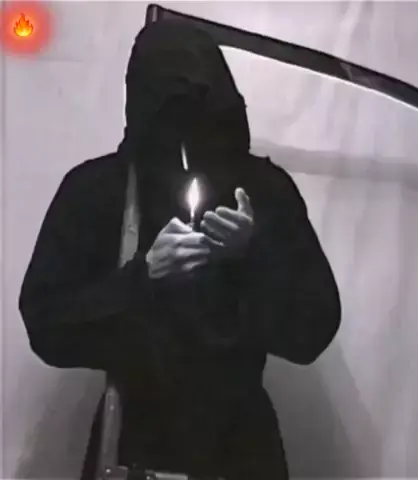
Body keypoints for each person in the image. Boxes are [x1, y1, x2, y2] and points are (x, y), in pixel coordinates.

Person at [19, 19, 341, 480]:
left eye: (202, 113)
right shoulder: (97, 190)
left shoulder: (265, 191)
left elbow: (312, 332)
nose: (187, 131)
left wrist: (253, 256)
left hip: (240, 451)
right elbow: (47, 325)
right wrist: (143, 277)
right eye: (170, 113)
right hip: (130, 445)